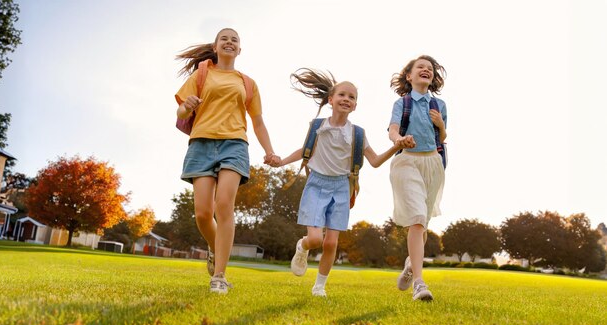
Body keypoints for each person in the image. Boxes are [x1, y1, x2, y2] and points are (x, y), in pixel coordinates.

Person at [270, 68, 415, 297]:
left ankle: (319, 286)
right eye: (342, 95)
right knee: (316, 239)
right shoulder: (318, 126)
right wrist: (281, 161)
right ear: (331, 100)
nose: (346, 99)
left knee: (330, 244)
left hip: (341, 187)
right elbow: (304, 151)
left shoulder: (357, 134)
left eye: (352, 97)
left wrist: (396, 146)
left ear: (355, 105)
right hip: (316, 184)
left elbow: (375, 161)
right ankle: (302, 246)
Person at [175, 28, 277, 294]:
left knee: (224, 205)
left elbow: (257, 121)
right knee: (202, 213)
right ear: (216, 46)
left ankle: (219, 276)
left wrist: (269, 151)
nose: (229, 42)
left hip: (234, 144)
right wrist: (187, 105)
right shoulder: (201, 75)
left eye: (235, 40)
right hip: (201, 143)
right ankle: (214, 246)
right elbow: (180, 109)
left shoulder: (247, 83)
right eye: (224, 39)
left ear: (239, 49)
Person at [387, 55, 447, 302]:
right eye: (420, 67)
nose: (426, 70)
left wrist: (441, 125)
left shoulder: (440, 105)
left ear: (432, 78)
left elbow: (441, 138)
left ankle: (411, 265)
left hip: (433, 164)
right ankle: (420, 284)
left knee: (423, 226)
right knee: (417, 220)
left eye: (430, 68)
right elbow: (392, 130)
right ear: (409, 76)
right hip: (407, 162)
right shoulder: (403, 103)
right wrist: (398, 140)